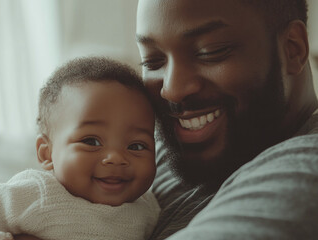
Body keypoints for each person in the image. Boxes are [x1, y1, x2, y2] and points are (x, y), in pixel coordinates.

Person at [135, 0, 318, 239]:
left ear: (293, 49)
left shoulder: (305, 168)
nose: (172, 90)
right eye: (153, 61)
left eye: (210, 52)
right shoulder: (150, 153)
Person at [0, 57, 160, 240]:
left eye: (137, 145)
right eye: (91, 141)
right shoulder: (38, 192)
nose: (116, 158)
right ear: (46, 153)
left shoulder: (149, 208)